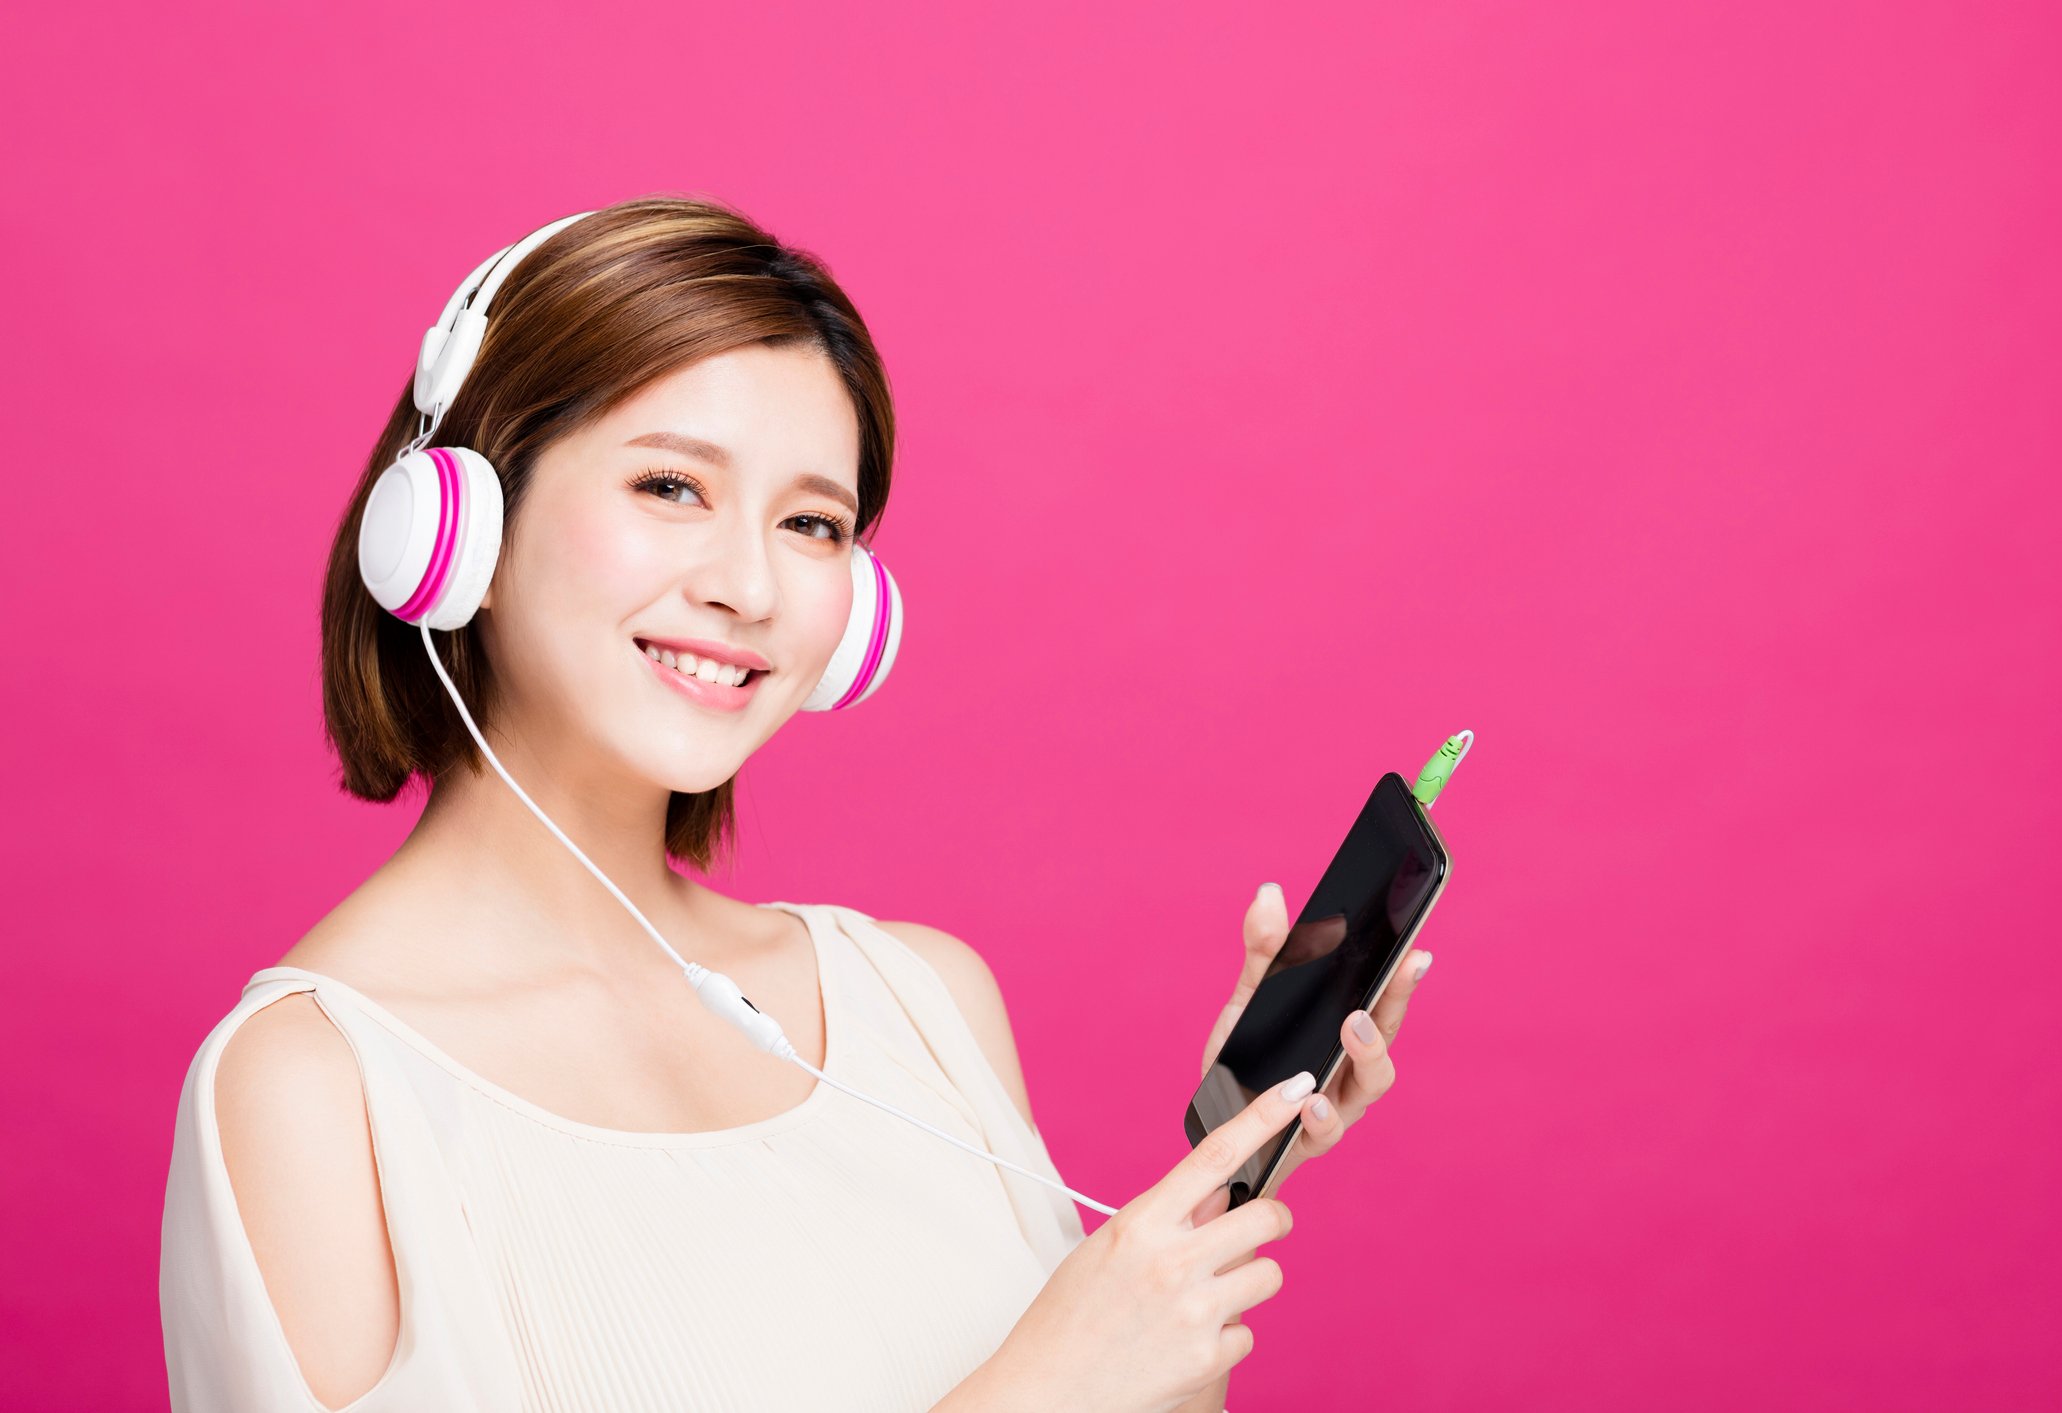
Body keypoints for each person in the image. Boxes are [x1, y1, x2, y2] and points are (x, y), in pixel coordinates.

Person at [158, 193, 1430, 1412]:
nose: (751, 587)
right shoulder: (316, 1090)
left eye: (813, 523)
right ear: (458, 528)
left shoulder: (922, 1002)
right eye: (670, 487)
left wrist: (1193, 1230)